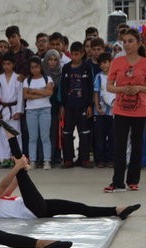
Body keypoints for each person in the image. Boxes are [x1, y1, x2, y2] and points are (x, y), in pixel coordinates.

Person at [0, 130, 140, 220]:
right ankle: (11, 140)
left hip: (39, 207)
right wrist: (18, 168)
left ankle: (117, 211)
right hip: (32, 208)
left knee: (78, 207)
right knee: (21, 170)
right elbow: (1, 186)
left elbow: (10, 187)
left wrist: (21, 171)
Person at [104, 28, 146, 193]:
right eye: (124, 41)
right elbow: (109, 86)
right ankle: (117, 182)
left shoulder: (144, 62)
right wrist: (123, 90)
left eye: (131, 41)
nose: (127, 44)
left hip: (140, 109)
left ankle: (133, 180)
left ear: (139, 43)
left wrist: (138, 88)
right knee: (119, 146)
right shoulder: (117, 62)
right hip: (121, 110)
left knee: (137, 145)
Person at [60, 41, 94, 169]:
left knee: (84, 132)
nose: (74, 57)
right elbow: (63, 88)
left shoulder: (87, 68)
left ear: (82, 54)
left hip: (83, 106)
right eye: (72, 54)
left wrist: (90, 105)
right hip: (69, 106)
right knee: (67, 133)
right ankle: (68, 159)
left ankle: (84, 159)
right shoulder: (66, 68)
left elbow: (90, 87)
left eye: (77, 54)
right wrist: (62, 105)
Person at [23, 56, 54, 170]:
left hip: (45, 109)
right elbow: (26, 95)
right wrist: (42, 92)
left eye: (36, 67)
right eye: (32, 67)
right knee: (32, 137)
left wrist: (34, 91)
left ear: (40, 67)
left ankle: (47, 160)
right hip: (31, 111)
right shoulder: (27, 80)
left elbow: (49, 92)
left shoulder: (47, 79)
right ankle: (33, 160)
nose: (34, 70)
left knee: (45, 136)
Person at [0, 52, 24, 168]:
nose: (6, 66)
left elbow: (20, 95)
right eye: (4, 64)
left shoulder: (18, 78)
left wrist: (18, 111)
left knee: (15, 134)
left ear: (13, 65)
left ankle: (15, 157)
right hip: (2, 109)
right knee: (2, 135)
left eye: (9, 64)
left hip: (14, 108)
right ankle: (5, 158)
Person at [93, 52, 115, 169]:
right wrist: (97, 106)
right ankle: (100, 160)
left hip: (113, 112)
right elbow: (96, 92)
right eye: (101, 63)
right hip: (100, 112)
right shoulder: (98, 76)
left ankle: (111, 159)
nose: (103, 65)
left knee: (112, 136)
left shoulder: (115, 76)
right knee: (100, 137)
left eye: (105, 62)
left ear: (111, 62)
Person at [42, 49, 63, 166]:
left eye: (55, 60)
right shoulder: (41, 74)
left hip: (55, 105)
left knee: (54, 132)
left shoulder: (61, 73)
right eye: (50, 59)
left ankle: (55, 157)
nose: (52, 62)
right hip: (43, 104)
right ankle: (44, 157)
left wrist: (61, 106)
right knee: (44, 133)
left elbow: (62, 92)